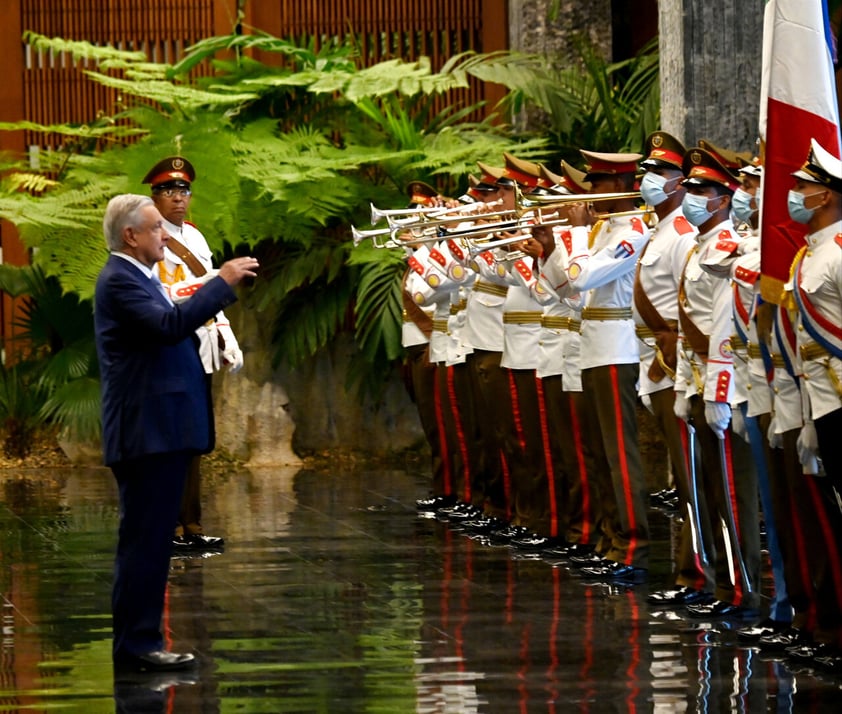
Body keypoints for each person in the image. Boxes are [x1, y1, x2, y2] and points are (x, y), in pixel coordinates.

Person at [95, 194, 258, 671]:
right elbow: (168, 327)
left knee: (150, 543)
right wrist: (220, 282)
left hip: (162, 432)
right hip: (147, 435)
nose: (165, 235)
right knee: (144, 544)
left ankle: (139, 643)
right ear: (131, 236)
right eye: (155, 229)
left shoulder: (140, 277)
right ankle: (137, 646)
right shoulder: (120, 281)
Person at [537, 150, 652, 581]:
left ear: (620, 187)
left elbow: (585, 277)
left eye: (598, 184)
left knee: (620, 454)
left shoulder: (633, 231)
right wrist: (550, 251)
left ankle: (632, 547)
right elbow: (568, 291)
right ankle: (608, 539)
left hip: (616, 348)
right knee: (598, 452)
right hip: (591, 346)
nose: (589, 193)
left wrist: (580, 235)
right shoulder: (603, 231)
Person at [142, 156, 243, 553]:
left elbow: (210, 292)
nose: (178, 197)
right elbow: (160, 293)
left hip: (200, 345)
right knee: (172, 437)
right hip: (171, 342)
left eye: (183, 190)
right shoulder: (150, 236)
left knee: (196, 437)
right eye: (169, 190)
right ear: (154, 196)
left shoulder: (196, 238)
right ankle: (168, 526)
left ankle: (192, 524)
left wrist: (225, 333)